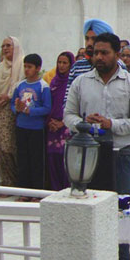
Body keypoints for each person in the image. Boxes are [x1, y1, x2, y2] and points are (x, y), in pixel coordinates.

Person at [63, 32, 130, 260]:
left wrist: (112, 124)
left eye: (104, 53)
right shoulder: (80, 82)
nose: (98, 57)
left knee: (120, 211)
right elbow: (68, 114)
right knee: (89, 207)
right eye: (95, 53)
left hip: (121, 154)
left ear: (117, 54)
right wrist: (82, 125)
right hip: (89, 155)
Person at [12, 53, 51, 192]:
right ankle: (23, 190)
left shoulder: (43, 86)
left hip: (36, 128)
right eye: (25, 66)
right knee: (23, 159)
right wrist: (17, 108)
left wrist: (31, 112)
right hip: (21, 126)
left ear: (38, 68)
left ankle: (36, 191)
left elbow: (47, 108)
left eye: (30, 67)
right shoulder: (19, 85)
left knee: (36, 160)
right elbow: (13, 104)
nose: (26, 70)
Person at [0, 36, 24, 186]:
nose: (5, 49)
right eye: (3, 46)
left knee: (8, 146)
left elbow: (21, 86)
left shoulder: (21, 65)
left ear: (16, 47)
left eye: (8, 45)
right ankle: (6, 180)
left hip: (11, 111)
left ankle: (16, 181)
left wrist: (8, 97)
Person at [46, 51, 74, 191]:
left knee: (65, 159)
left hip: (65, 126)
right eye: (59, 62)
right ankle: (54, 189)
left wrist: (63, 122)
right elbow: (49, 103)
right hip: (52, 126)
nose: (61, 66)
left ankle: (65, 189)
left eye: (65, 63)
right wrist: (50, 121)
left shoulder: (73, 83)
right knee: (52, 157)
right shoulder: (54, 81)